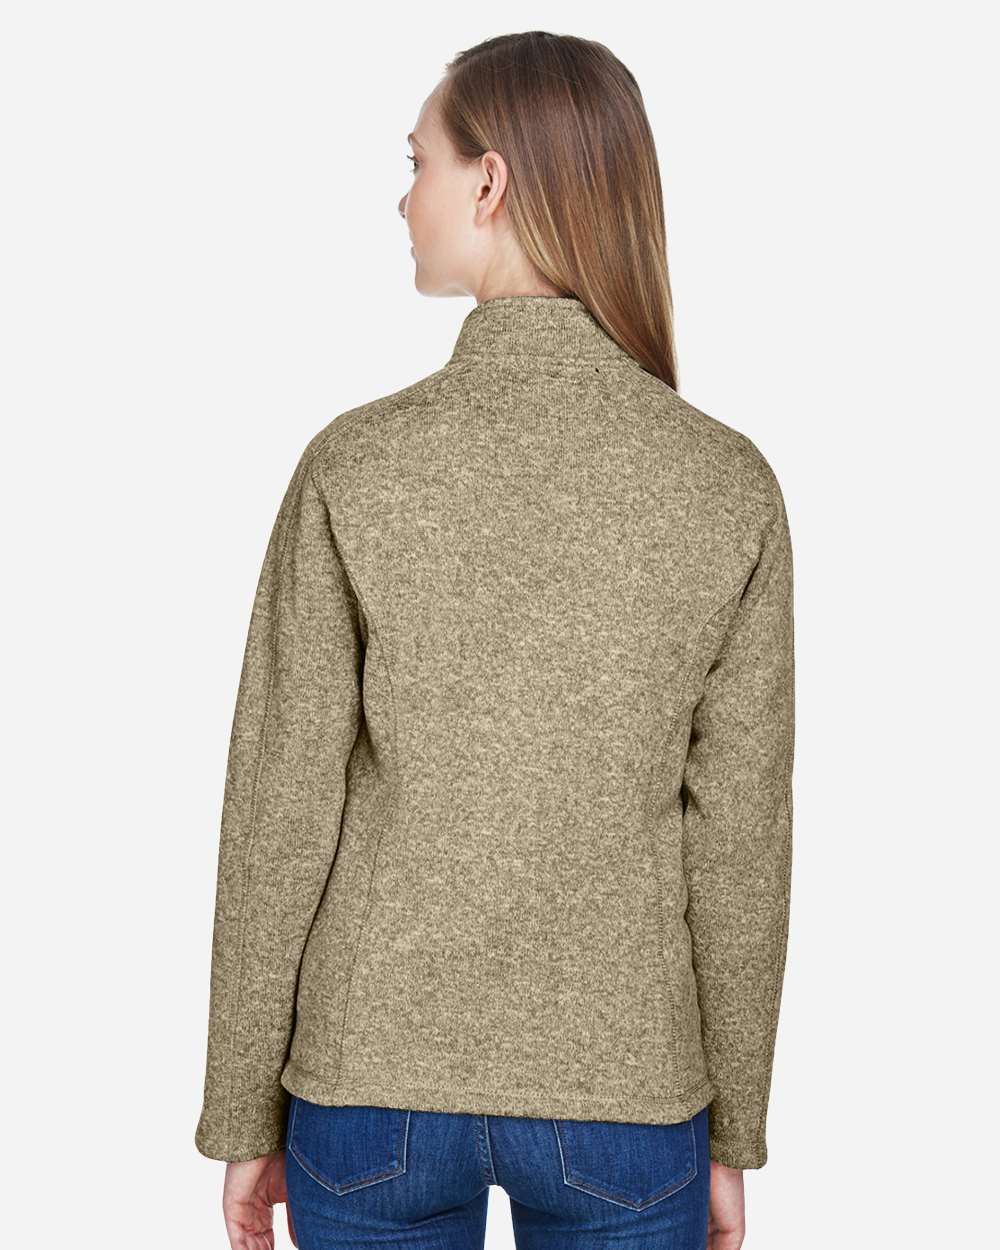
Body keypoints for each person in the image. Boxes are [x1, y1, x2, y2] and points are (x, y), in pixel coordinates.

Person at [194, 30, 795, 1250]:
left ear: (489, 181)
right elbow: (740, 842)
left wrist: (243, 1104)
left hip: (369, 1086)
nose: (402, 197)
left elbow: (279, 810)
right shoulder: (724, 483)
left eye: (416, 160)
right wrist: (731, 1131)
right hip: (627, 1093)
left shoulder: (356, 464)